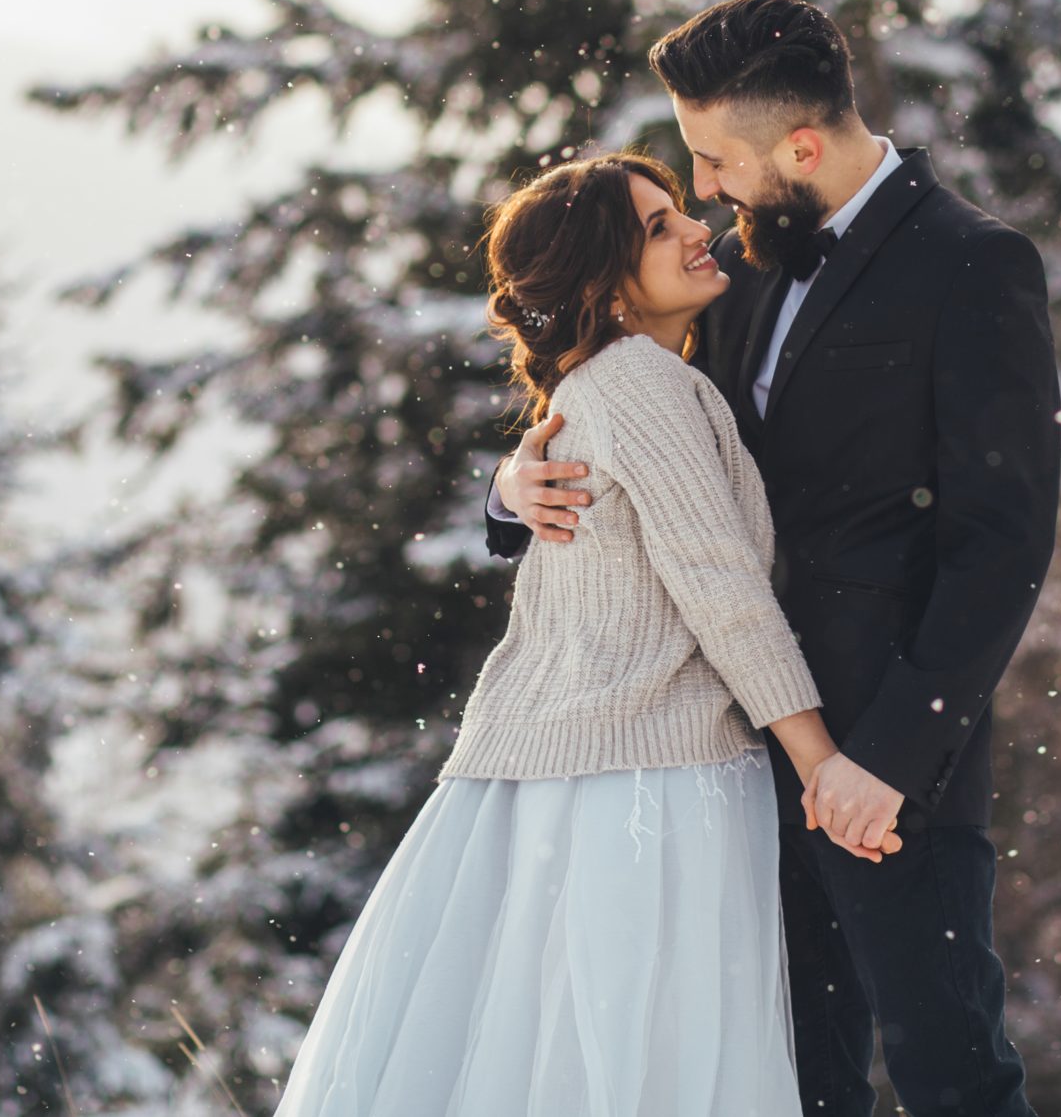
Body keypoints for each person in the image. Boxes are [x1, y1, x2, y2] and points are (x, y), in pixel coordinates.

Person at [489, 0, 1061, 1117]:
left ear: (801, 145)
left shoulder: (972, 265)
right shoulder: (738, 259)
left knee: (952, 1068)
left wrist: (885, 758)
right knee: (786, 1077)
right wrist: (512, 490)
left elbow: (999, 546)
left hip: (884, 756)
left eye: (713, 159)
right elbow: (636, 422)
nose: (703, 191)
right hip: (725, 748)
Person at [274, 148, 895, 1117]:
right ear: (606, 288)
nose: (698, 228)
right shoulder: (639, 384)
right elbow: (723, 590)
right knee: (643, 1068)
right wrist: (820, 763)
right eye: (659, 226)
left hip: (586, 771)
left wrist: (504, 492)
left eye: (682, 209)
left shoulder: (614, 384)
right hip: (647, 785)